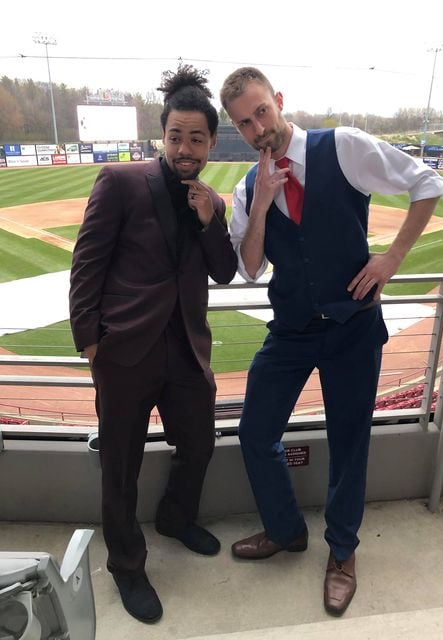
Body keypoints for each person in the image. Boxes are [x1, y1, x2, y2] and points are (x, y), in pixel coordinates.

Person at [220, 67, 443, 616]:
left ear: (278, 101)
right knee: (255, 432)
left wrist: (392, 258)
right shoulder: (248, 186)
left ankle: (343, 552)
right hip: (292, 329)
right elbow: (249, 268)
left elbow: (428, 184)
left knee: (350, 442)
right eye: (244, 123)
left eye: (261, 112)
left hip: (353, 327)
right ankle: (286, 531)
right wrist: (260, 202)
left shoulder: (342, 147)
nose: (257, 129)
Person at [69, 64, 237, 624]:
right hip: (124, 353)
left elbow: (224, 272)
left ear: (211, 143)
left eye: (197, 139)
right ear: (162, 136)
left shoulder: (212, 200)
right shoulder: (119, 183)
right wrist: (91, 344)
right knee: (121, 466)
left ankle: (175, 517)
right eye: (176, 136)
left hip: (186, 349)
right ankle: (126, 564)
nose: (185, 149)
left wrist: (211, 220)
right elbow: (86, 267)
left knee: (200, 444)